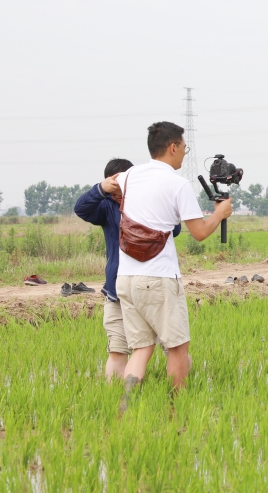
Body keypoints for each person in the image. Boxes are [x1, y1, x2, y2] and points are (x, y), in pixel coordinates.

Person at [116, 122, 232, 397]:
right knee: (178, 347)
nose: (184, 153)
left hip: (126, 278)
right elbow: (199, 232)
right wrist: (220, 213)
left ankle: (125, 404)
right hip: (159, 278)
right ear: (172, 147)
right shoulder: (178, 184)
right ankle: (175, 407)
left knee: (141, 348)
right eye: (184, 148)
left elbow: (109, 183)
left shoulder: (128, 176)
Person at [74, 158, 182, 381]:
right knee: (118, 348)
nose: (119, 192)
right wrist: (101, 189)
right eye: (114, 187)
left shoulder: (148, 202)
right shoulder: (107, 206)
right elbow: (81, 208)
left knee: (174, 347)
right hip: (118, 290)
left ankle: (182, 389)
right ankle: (115, 394)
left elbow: (176, 228)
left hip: (154, 284)